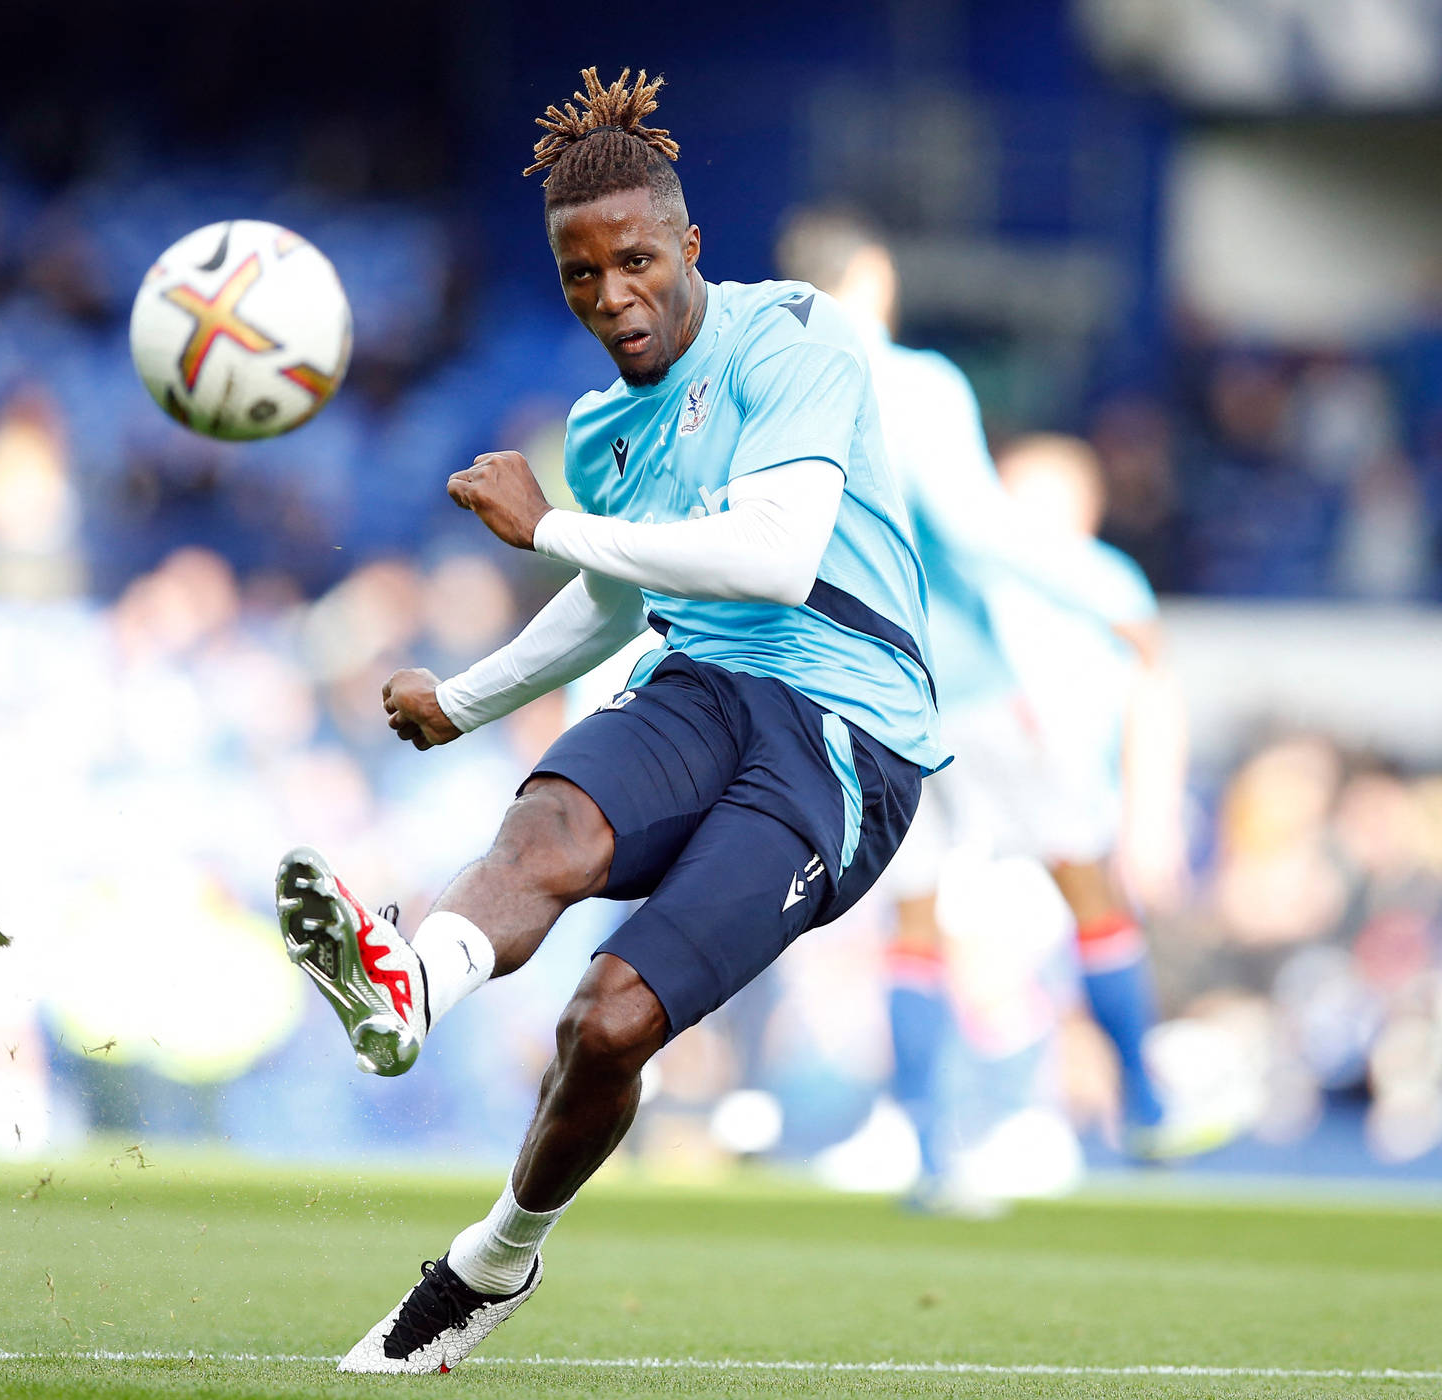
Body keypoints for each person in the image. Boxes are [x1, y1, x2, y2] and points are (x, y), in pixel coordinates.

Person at [276, 69, 939, 1374]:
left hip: (846, 731)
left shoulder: (794, 332)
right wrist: (462, 702)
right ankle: (411, 984)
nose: (612, 297)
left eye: (636, 262)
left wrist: (547, 523)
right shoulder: (606, 422)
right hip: (699, 684)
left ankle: (493, 1263)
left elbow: (775, 558)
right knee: (553, 831)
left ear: (689, 246)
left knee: (609, 1024)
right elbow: (615, 596)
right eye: (582, 278)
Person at [774, 212, 1217, 1197]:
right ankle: (1144, 1101)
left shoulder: (772, 388)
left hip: (858, 693)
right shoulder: (913, 381)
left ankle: (930, 1148)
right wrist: (1106, 596)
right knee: (1084, 873)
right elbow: (972, 531)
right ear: (875, 277)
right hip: (964, 679)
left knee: (915, 917)